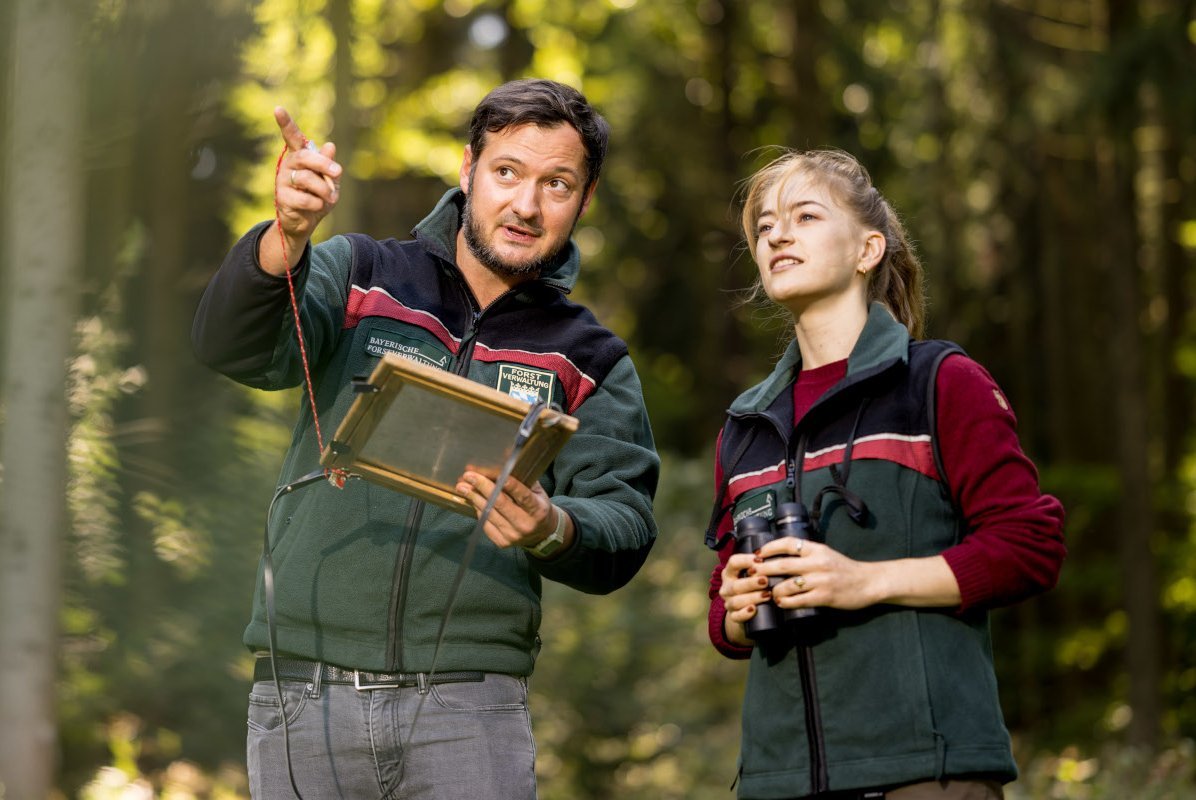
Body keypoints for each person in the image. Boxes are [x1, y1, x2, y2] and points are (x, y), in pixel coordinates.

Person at [192, 79, 659, 800]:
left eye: (557, 184)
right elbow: (232, 347)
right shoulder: (360, 274)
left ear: (585, 199)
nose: (527, 206)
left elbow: (625, 525)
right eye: (507, 172)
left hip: (470, 708)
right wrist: (285, 236)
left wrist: (552, 526)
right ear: (468, 169)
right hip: (304, 697)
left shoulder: (590, 356)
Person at [705, 149, 1066, 800]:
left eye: (805, 217)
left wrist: (864, 582)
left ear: (867, 249)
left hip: (925, 772)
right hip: (777, 780)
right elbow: (723, 613)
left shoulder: (939, 382)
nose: (777, 235)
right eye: (764, 226)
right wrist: (735, 606)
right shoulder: (746, 425)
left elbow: (1029, 545)